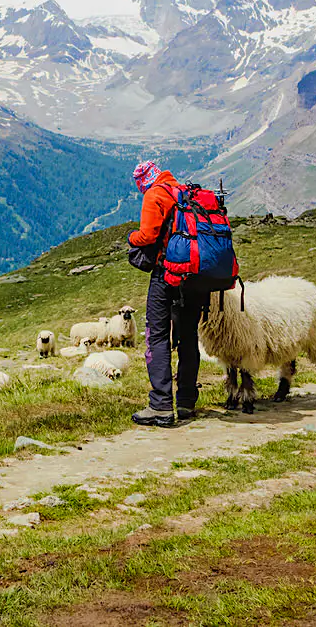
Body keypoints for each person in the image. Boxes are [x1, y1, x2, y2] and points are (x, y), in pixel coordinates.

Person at [126, 160, 204, 428]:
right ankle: (185, 402)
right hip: (194, 276)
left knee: (157, 336)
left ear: (143, 180)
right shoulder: (181, 191)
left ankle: (160, 406)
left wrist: (131, 238)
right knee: (188, 336)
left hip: (166, 274)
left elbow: (148, 235)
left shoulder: (154, 194)